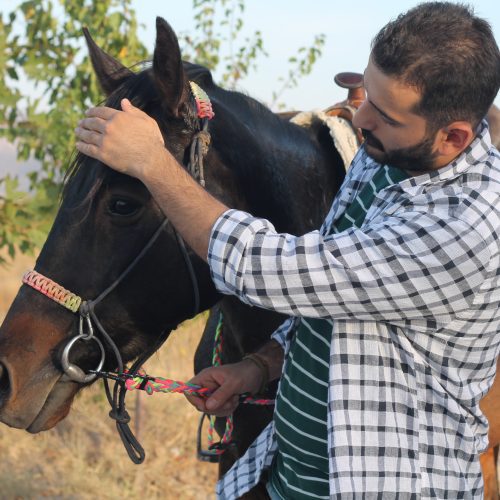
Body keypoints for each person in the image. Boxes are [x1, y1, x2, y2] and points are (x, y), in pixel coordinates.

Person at [75, 2, 500, 498]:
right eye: (367, 94)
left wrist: (154, 164)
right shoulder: (389, 158)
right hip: (289, 476)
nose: (359, 118)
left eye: (383, 114)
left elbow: (276, 271)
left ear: (453, 137)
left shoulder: (464, 229)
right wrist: (259, 366)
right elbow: (334, 297)